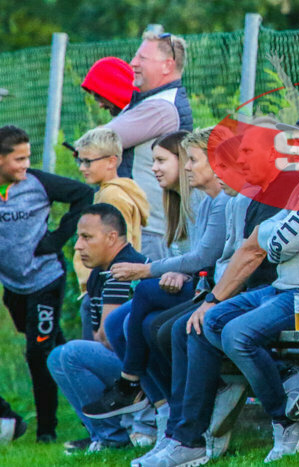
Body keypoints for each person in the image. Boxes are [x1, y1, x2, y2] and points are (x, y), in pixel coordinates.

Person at [160, 109, 299, 465]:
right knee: (210, 321)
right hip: (291, 290)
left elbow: (278, 245)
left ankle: (285, 417)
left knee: (237, 334)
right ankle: (286, 380)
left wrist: (264, 235)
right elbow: (267, 238)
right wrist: (263, 238)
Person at [82, 128, 229, 423]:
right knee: (122, 322)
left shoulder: (212, 199)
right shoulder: (183, 203)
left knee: (147, 300)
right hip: (194, 284)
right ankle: (163, 409)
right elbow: (189, 257)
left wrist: (154, 271)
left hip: (212, 290)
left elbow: (205, 258)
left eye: (162, 160)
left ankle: (133, 385)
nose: (154, 168)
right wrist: (175, 272)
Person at [0, 125, 93, 443]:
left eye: (28, 158)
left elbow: (83, 195)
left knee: (38, 352)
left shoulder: (38, 183)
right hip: (13, 287)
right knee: (53, 343)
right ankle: (95, 397)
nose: (25, 165)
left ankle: (47, 431)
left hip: (46, 279)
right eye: (18, 159)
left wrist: (56, 239)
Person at [47, 204, 149, 454]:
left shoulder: (122, 269)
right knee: (63, 356)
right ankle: (107, 434)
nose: (78, 245)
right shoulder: (101, 271)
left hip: (145, 369)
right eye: (78, 237)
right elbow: (100, 337)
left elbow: (107, 337)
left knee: (66, 356)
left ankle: (111, 437)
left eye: (86, 237)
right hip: (128, 364)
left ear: (112, 237)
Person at [106, 31, 193, 261]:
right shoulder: (150, 101)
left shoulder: (160, 107)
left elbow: (96, 144)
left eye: (142, 58)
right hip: (140, 225)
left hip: (147, 229)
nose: (132, 63)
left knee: (132, 293)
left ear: (167, 65)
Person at [71, 127, 150, 296]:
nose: (82, 168)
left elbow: (120, 247)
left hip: (106, 286)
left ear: (111, 161)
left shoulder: (112, 195)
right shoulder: (107, 191)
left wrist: (96, 284)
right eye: (80, 161)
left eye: (88, 162)